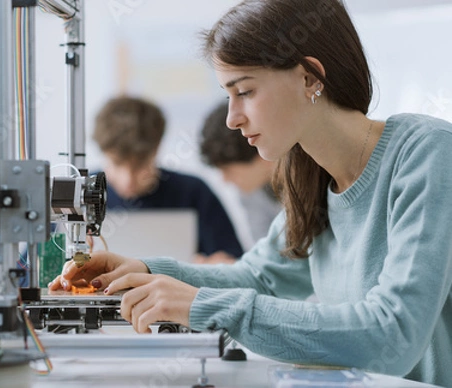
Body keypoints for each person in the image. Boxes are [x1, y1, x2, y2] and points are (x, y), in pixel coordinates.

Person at [51, 1, 452, 386]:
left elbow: (393, 335)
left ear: (310, 77)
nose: (232, 117)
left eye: (244, 91)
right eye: (228, 95)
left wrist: (203, 306)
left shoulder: (427, 153)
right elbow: (261, 278)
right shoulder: (310, 179)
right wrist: (147, 273)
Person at [93, 95, 244, 261]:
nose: (127, 180)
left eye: (140, 166)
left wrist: (214, 266)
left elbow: (235, 263)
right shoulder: (82, 192)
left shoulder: (193, 192)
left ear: (157, 149)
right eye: (117, 164)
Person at [200, 102, 281, 247]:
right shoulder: (250, 192)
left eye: (228, 170)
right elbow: (264, 250)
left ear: (263, 156)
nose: (225, 180)